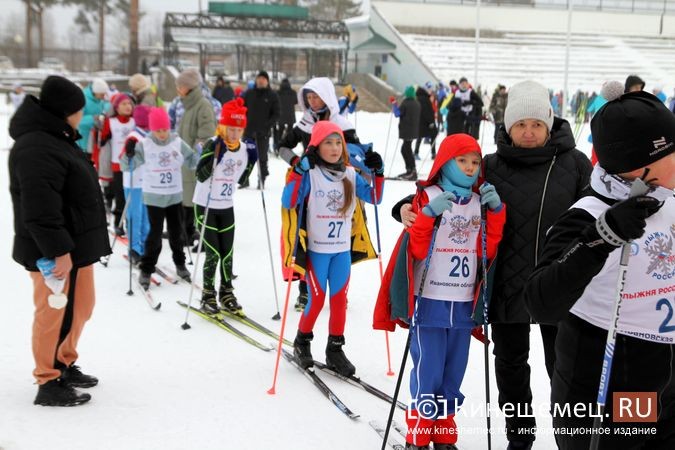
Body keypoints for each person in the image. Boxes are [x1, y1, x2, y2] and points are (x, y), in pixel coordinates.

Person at [392, 80, 593, 449]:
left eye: (536, 124)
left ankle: (573, 440)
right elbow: (451, 186)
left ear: (549, 124)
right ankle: (520, 438)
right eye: (520, 125)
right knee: (512, 369)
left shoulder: (575, 164)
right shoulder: (492, 165)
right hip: (507, 287)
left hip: (559, 285)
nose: (529, 132)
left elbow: (597, 209)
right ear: (508, 127)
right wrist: (404, 206)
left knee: (564, 371)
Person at [525, 86, 675, 449]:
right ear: (642, 166)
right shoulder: (588, 215)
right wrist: (602, 237)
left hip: (667, 375)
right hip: (618, 376)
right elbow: (541, 300)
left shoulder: (669, 197)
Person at [374, 133, 506, 450]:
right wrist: (428, 215)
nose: (470, 168)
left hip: (463, 303)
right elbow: (416, 248)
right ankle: (419, 432)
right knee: (428, 370)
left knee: (453, 372)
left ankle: (444, 430)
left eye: (475, 162)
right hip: (430, 299)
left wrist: (497, 211)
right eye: (462, 161)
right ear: (445, 162)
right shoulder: (427, 196)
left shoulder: (480, 201)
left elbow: (488, 249)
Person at [9, 75, 111, 406]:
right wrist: (58, 251)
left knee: (81, 307)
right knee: (55, 312)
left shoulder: (56, 137)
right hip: (53, 251)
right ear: (65, 110)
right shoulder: (37, 146)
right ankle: (48, 379)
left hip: (76, 245)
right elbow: (39, 208)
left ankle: (63, 362)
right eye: (78, 109)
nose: (82, 115)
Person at [282, 121, 384, 376]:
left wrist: (378, 172)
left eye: (338, 142)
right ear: (316, 146)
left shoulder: (350, 174)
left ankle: (334, 349)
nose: (335, 147)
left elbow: (374, 197)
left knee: (339, 302)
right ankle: (302, 342)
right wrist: (298, 172)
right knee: (316, 301)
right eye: (328, 142)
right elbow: (289, 200)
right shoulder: (311, 174)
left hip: (341, 250)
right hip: (317, 251)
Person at [277, 76, 364, 312]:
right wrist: (297, 162)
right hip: (309, 186)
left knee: (341, 237)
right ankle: (305, 290)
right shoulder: (304, 124)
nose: (313, 102)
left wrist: (361, 162)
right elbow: (281, 146)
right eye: (309, 98)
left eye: (317, 96)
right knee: (305, 234)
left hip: (338, 187)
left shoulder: (342, 125)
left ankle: (338, 289)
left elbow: (356, 155)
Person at [120, 107, 199, 289]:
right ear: (152, 129)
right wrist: (128, 152)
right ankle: (147, 269)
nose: (162, 134)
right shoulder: (145, 144)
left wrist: (200, 151)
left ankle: (180, 264)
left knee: (176, 233)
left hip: (173, 195)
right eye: (158, 130)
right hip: (154, 196)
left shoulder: (177, 142)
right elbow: (126, 165)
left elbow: (192, 161)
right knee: (154, 235)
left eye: (164, 129)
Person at [194, 98, 257, 314]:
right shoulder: (214, 143)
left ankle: (227, 292)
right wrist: (214, 157)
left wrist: (252, 160)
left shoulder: (243, 148)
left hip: (226, 207)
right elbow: (200, 176)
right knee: (213, 253)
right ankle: (208, 295)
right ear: (222, 127)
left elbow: (242, 180)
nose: (234, 134)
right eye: (230, 129)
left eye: (238, 130)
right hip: (205, 206)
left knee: (227, 253)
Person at [175, 69, 217, 248]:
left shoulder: (202, 105)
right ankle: (186, 231)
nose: (178, 89)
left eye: (180, 86)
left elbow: (206, 135)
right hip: (184, 161)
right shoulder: (188, 106)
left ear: (188, 87)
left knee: (196, 199)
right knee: (187, 198)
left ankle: (199, 234)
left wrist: (194, 155)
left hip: (194, 162)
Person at [98, 93, 136, 235]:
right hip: (117, 164)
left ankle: (130, 223)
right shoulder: (111, 121)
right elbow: (102, 139)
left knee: (131, 195)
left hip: (134, 164)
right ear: (116, 107)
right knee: (119, 195)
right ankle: (118, 223)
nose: (128, 106)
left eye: (129, 104)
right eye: (124, 104)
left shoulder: (135, 121)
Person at [120, 104, 152, 262]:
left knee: (147, 217)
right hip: (133, 183)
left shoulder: (149, 134)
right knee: (136, 216)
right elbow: (123, 160)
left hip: (147, 183)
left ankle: (145, 246)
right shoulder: (134, 136)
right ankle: (134, 248)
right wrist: (129, 151)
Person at [241, 70, 280, 188]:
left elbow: (276, 114)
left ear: (267, 81)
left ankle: (261, 179)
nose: (261, 80)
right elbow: (242, 108)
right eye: (259, 78)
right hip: (248, 131)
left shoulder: (272, 95)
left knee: (262, 158)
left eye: (263, 79)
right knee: (245, 156)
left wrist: (266, 126)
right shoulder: (249, 93)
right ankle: (244, 179)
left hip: (263, 133)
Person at [390, 86, 420, 180]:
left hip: (407, 130)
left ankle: (412, 171)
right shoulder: (417, 103)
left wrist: (394, 104)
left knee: (406, 150)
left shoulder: (406, 103)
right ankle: (409, 170)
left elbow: (397, 114)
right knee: (405, 149)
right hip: (413, 130)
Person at [77, 77, 109, 155]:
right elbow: (77, 121)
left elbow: (106, 107)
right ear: (95, 92)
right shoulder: (82, 99)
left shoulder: (100, 100)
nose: (104, 96)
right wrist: (93, 119)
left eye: (105, 94)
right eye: (102, 94)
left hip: (96, 140)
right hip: (83, 140)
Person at [414, 84, 438, 160]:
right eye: (430, 90)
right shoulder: (423, 98)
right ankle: (432, 153)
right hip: (425, 122)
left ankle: (417, 152)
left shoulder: (422, 97)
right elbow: (425, 111)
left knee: (421, 136)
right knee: (431, 135)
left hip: (422, 121)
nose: (431, 91)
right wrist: (431, 121)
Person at [274, 78, 297, 153]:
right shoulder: (293, 92)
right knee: (290, 131)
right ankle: (288, 146)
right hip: (290, 114)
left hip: (281, 114)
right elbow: (295, 101)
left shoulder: (278, 92)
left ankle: (278, 146)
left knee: (280, 130)